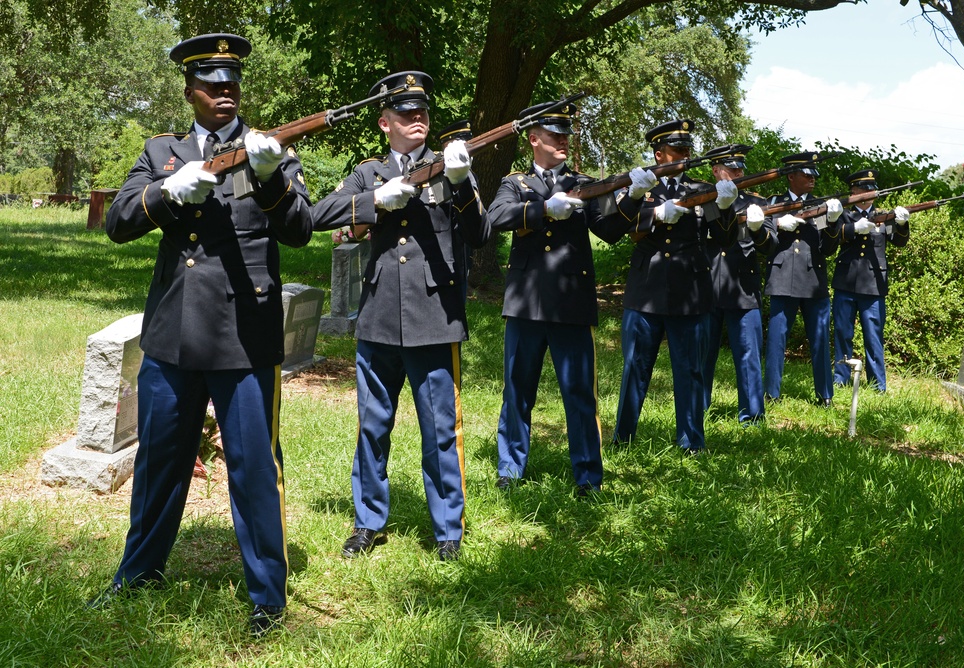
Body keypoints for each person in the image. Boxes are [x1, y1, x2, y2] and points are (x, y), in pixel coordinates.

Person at [90, 33, 313, 638]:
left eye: (231, 84)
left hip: (245, 335)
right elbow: (117, 223)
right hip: (174, 332)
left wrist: (268, 178)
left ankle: (267, 597)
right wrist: (167, 191)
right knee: (160, 462)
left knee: (253, 469)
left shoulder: (270, 150)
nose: (223, 93)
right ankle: (137, 577)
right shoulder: (161, 150)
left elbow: (300, 230)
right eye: (211, 85)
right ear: (190, 91)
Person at [311, 72, 489, 561]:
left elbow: (481, 234)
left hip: (435, 317)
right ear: (384, 122)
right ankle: (368, 521)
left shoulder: (450, 165)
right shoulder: (368, 173)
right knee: (372, 426)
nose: (418, 120)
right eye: (407, 114)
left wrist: (460, 182)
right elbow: (319, 214)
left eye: (423, 113)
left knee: (440, 430)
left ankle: (448, 529)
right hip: (381, 317)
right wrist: (374, 202)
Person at [488, 100, 618, 496]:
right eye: (554, 135)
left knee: (580, 394)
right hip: (526, 302)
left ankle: (588, 476)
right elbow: (496, 218)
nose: (562, 141)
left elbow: (610, 230)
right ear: (533, 139)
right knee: (517, 390)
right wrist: (544, 208)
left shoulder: (583, 183)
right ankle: (510, 468)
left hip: (571, 303)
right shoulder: (515, 183)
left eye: (566, 135)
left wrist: (631, 197)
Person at [603, 119, 738, 455]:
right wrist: (654, 215)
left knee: (690, 369)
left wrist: (725, 207)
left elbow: (725, 238)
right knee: (635, 366)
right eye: (678, 150)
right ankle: (624, 437)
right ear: (659, 154)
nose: (685, 155)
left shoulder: (700, 188)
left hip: (689, 290)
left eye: (687, 149)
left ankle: (691, 441)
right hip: (646, 288)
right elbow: (616, 225)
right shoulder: (640, 186)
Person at [701, 143, 775, 425]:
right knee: (701, 355)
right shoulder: (702, 199)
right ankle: (697, 407)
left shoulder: (755, 202)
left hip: (743, 288)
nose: (738, 173)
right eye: (731, 169)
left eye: (740, 169)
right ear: (716, 170)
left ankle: (752, 414)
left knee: (748, 356)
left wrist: (757, 230)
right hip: (706, 286)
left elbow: (771, 245)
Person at [762, 152, 843, 407]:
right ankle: (771, 394)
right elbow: (763, 241)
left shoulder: (820, 205)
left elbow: (828, 249)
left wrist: (831, 223)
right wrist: (776, 225)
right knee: (776, 340)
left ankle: (825, 394)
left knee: (820, 339)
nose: (812, 180)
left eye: (813, 175)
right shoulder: (773, 203)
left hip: (812, 280)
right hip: (782, 277)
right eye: (806, 175)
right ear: (792, 176)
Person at [831, 169, 911, 392]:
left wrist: (903, 224)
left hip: (874, 286)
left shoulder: (884, 216)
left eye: (872, 188)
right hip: (845, 283)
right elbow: (832, 236)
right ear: (854, 191)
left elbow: (899, 241)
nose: (869, 192)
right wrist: (853, 229)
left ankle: (877, 383)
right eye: (864, 188)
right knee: (842, 333)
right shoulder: (844, 215)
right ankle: (841, 377)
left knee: (874, 336)